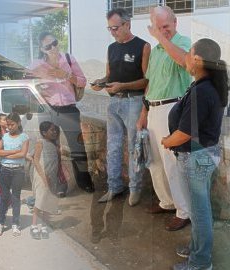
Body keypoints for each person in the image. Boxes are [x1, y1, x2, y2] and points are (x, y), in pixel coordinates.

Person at [161, 38, 229, 270]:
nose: (186, 59)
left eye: (189, 54)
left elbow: (184, 133)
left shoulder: (203, 91)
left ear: (198, 60)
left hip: (196, 158)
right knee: (200, 209)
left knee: (199, 214)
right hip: (203, 155)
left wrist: (167, 141)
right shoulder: (207, 84)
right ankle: (197, 249)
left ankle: (200, 263)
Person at [137, 6, 192, 231]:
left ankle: (183, 211)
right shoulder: (157, 50)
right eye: (158, 28)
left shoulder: (184, 42)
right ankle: (166, 202)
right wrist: (143, 113)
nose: (162, 32)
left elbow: (184, 61)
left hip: (173, 108)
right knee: (154, 162)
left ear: (175, 22)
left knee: (172, 163)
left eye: (166, 27)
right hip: (154, 109)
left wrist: (161, 38)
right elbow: (150, 84)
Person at [91, 8, 150, 206]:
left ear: (127, 24)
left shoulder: (143, 46)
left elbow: (146, 81)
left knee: (134, 147)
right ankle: (114, 186)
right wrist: (101, 82)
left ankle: (135, 188)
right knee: (113, 148)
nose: (113, 32)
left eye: (115, 28)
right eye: (109, 28)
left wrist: (123, 86)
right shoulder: (111, 48)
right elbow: (110, 75)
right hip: (114, 102)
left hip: (134, 102)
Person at [29, 32, 94, 193]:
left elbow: (82, 81)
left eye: (55, 43)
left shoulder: (68, 59)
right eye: (48, 46)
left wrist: (65, 75)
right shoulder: (36, 64)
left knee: (77, 147)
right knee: (51, 149)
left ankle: (84, 182)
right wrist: (38, 93)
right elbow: (27, 86)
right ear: (42, 49)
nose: (53, 47)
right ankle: (58, 185)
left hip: (69, 109)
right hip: (47, 110)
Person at [0, 113, 29, 237]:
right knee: (4, 197)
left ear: (18, 123)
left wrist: (6, 154)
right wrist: (14, 151)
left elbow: (23, 154)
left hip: (18, 171)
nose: (10, 127)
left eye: (12, 124)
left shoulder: (24, 137)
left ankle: (15, 224)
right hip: (4, 170)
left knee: (15, 197)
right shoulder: (4, 137)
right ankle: (0, 223)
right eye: (8, 124)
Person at [30, 121, 60, 240]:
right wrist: (43, 177)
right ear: (44, 132)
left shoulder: (54, 144)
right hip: (41, 176)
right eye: (51, 130)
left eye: (55, 130)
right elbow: (36, 160)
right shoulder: (40, 142)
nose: (54, 132)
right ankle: (34, 225)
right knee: (40, 200)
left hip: (52, 176)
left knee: (48, 200)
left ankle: (44, 225)